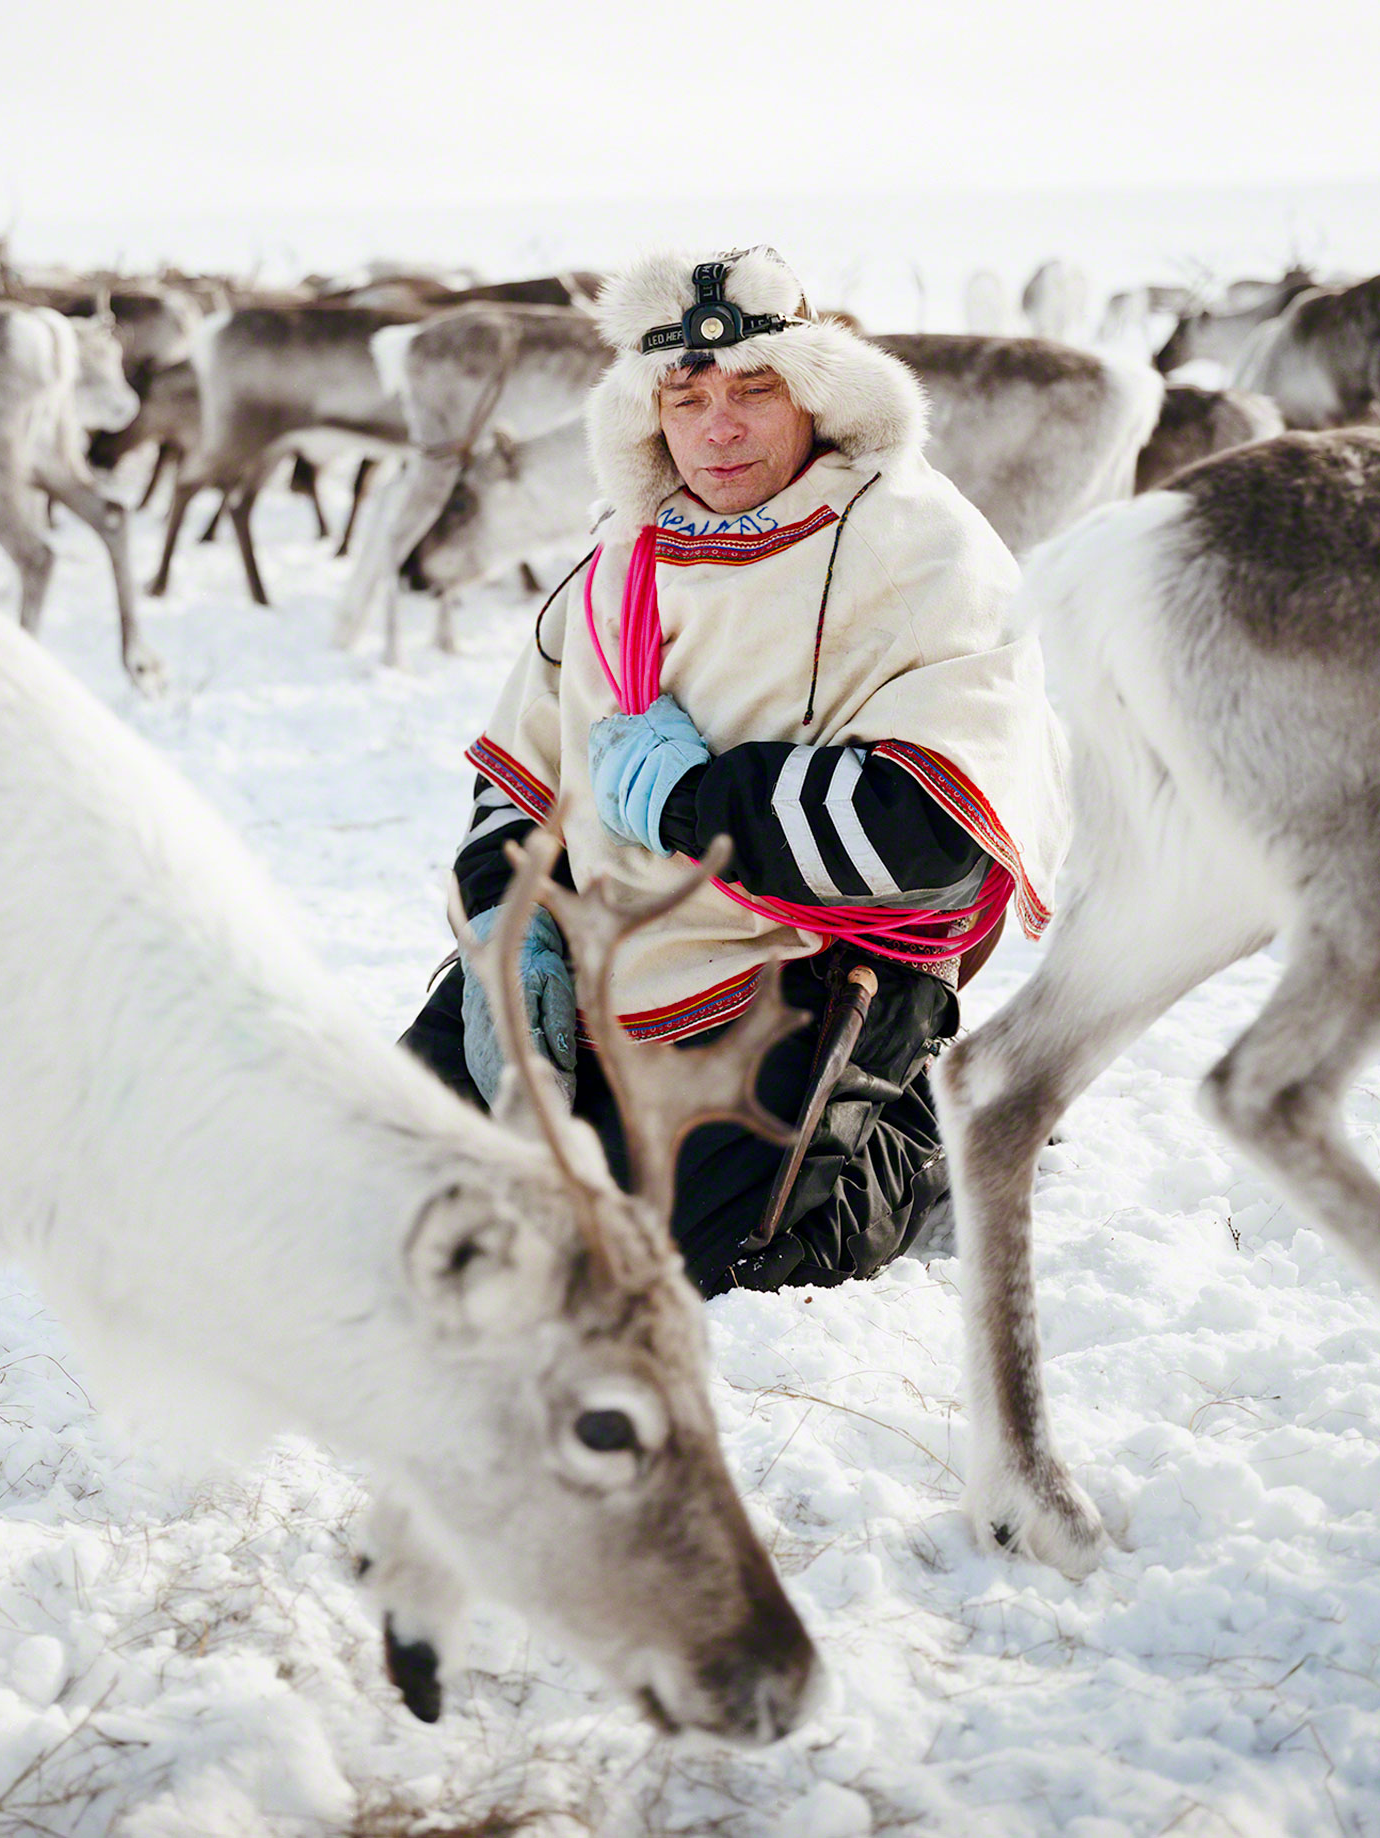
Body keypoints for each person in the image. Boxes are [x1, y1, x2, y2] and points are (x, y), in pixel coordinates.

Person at [401, 248, 1069, 1296]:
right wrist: (504, 922)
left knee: (708, 1268)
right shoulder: (622, 560)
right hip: (589, 959)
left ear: (816, 394)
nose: (718, 427)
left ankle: (923, 1135)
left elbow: (931, 831)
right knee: (391, 1194)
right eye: (687, 395)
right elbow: (520, 778)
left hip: (801, 965)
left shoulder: (921, 546)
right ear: (648, 414)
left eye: (754, 391)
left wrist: (688, 801)